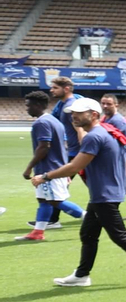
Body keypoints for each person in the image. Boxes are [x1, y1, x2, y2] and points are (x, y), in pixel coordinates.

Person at [33, 97, 126, 286]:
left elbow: (74, 167)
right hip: (105, 194)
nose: (74, 116)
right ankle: (81, 275)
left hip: (104, 195)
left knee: (119, 236)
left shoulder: (94, 136)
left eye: (78, 113)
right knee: (88, 234)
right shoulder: (109, 132)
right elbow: (123, 165)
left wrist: (45, 176)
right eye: (72, 113)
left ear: (94, 114)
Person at [16, 92, 71, 242]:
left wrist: (29, 168)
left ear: (38, 105)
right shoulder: (55, 121)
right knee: (44, 199)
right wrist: (65, 169)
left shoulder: (42, 123)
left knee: (55, 201)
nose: (27, 109)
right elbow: (64, 146)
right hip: (56, 167)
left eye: (29, 106)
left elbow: (44, 147)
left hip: (48, 168)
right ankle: (38, 232)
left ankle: (91, 218)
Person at [40, 76, 86, 226]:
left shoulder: (70, 107)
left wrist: (84, 151)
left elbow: (79, 130)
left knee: (56, 184)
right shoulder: (62, 104)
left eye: (55, 88)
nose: (51, 90)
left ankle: (54, 220)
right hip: (72, 152)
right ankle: (53, 219)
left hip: (77, 154)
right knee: (60, 185)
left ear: (66, 89)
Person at [100, 93, 126, 196]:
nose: (105, 106)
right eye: (103, 103)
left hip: (122, 156)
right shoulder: (106, 118)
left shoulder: (117, 120)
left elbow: (117, 141)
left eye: (109, 104)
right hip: (117, 156)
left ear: (116, 105)